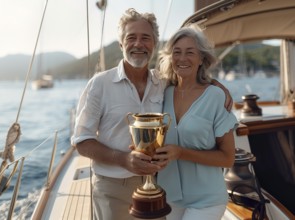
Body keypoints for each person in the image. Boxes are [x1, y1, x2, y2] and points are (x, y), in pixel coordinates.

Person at [71, 8, 233, 220]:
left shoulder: (162, 83)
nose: (138, 44)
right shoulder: (99, 84)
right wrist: (123, 159)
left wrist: (215, 85)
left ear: (154, 44)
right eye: (131, 38)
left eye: (145, 38)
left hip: (159, 186)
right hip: (114, 187)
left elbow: (190, 77)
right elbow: (81, 141)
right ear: (121, 43)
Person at [155, 25, 239, 220]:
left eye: (190, 52)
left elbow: (227, 158)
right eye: (177, 52)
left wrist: (181, 153)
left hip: (207, 200)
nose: (182, 58)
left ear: (202, 58)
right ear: (170, 57)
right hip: (168, 197)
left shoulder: (216, 96)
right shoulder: (162, 93)